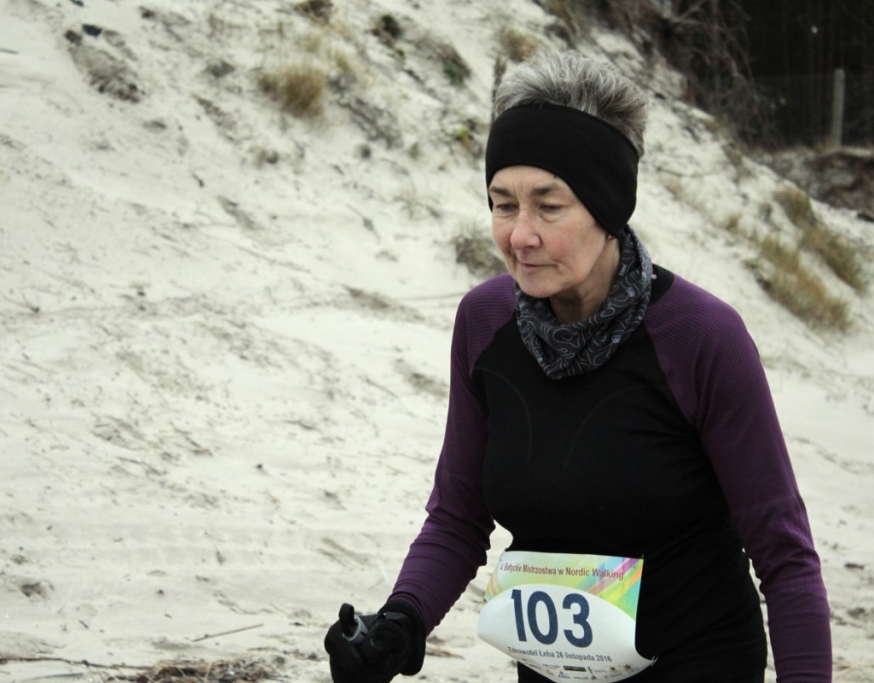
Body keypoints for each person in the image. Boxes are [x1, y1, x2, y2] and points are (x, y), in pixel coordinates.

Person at [324, 51, 831, 683]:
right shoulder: (484, 323)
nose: (520, 235)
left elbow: (784, 556)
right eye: (502, 204)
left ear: (607, 207)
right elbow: (458, 518)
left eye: (549, 206)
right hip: (551, 673)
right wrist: (400, 624)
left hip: (699, 663)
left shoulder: (701, 337)